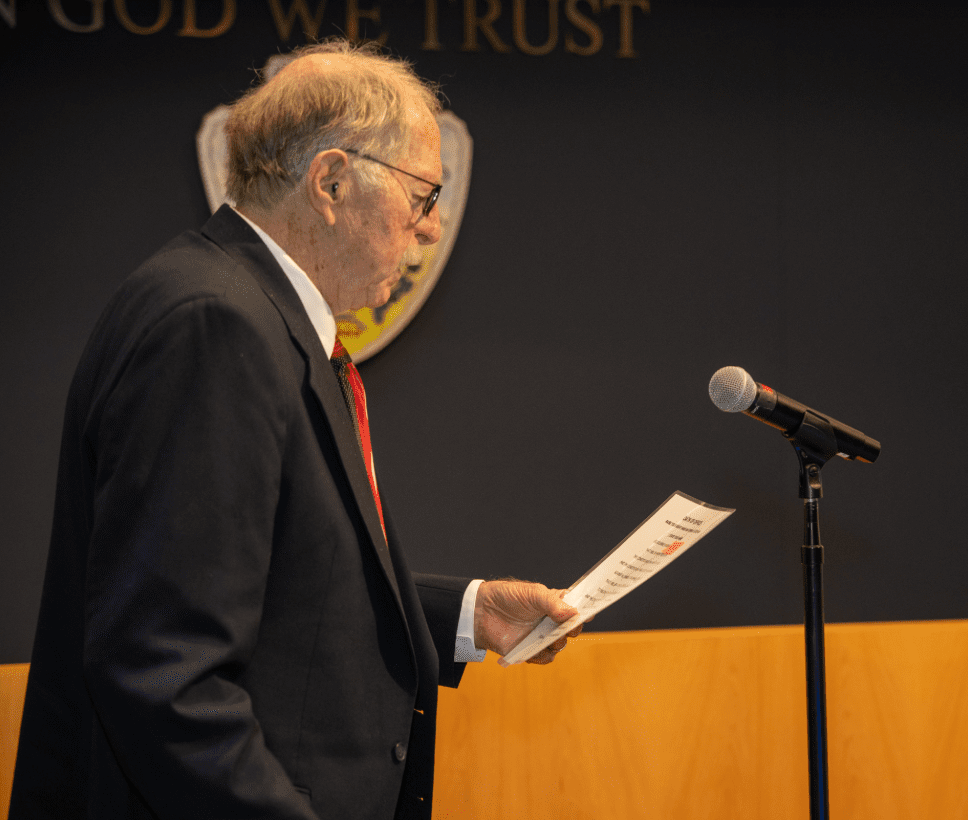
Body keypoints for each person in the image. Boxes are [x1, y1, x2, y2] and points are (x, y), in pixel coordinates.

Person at [10, 39, 583, 820]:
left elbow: (255, 581)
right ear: (332, 182)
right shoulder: (214, 324)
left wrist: (466, 615)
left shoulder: (241, 307)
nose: (432, 227)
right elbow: (166, 671)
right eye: (423, 195)